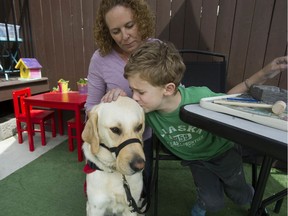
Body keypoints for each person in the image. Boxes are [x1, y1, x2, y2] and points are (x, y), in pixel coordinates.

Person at [103, 40, 287, 216]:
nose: (134, 97)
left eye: (140, 91)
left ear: (167, 89)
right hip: (196, 161)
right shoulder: (145, 110)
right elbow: (119, 121)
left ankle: (250, 196)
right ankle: (204, 200)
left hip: (224, 153)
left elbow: (229, 99)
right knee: (213, 203)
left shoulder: (198, 97)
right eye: (131, 89)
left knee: (240, 197)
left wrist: (264, 72)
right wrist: (117, 99)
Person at [84, 0, 156, 197]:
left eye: (130, 25)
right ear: (107, 32)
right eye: (115, 31)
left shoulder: (156, 50)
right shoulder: (100, 59)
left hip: (144, 137)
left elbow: (172, 93)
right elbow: (90, 107)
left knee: (140, 194)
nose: (125, 36)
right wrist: (109, 103)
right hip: (113, 141)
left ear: (141, 19)